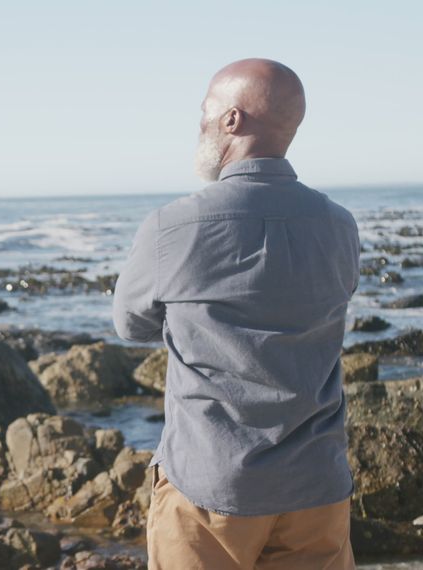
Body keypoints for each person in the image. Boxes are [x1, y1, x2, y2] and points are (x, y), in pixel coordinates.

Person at [112, 58, 360, 569]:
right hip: (315, 484)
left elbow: (130, 324)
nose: (199, 122)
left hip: (210, 485)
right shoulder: (339, 224)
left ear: (232, 120)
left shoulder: (174, 226)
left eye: (205, 110)